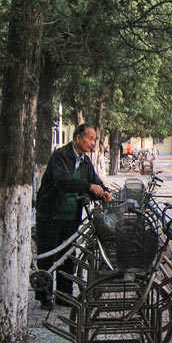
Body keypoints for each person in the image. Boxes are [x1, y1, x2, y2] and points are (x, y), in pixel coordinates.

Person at [34, 124, 112, 310]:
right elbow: (63, 180)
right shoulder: (60, 156)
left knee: (68, 256)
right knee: (48, 256)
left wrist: (104, 192)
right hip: (51, 214)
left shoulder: (85, 161)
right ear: (78, 138)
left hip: (71, 216)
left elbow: (95, 181)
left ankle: (64, 295)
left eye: (94, 139)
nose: (93, 143)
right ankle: (44, 296)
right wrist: (88, 187)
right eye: (90, 138)